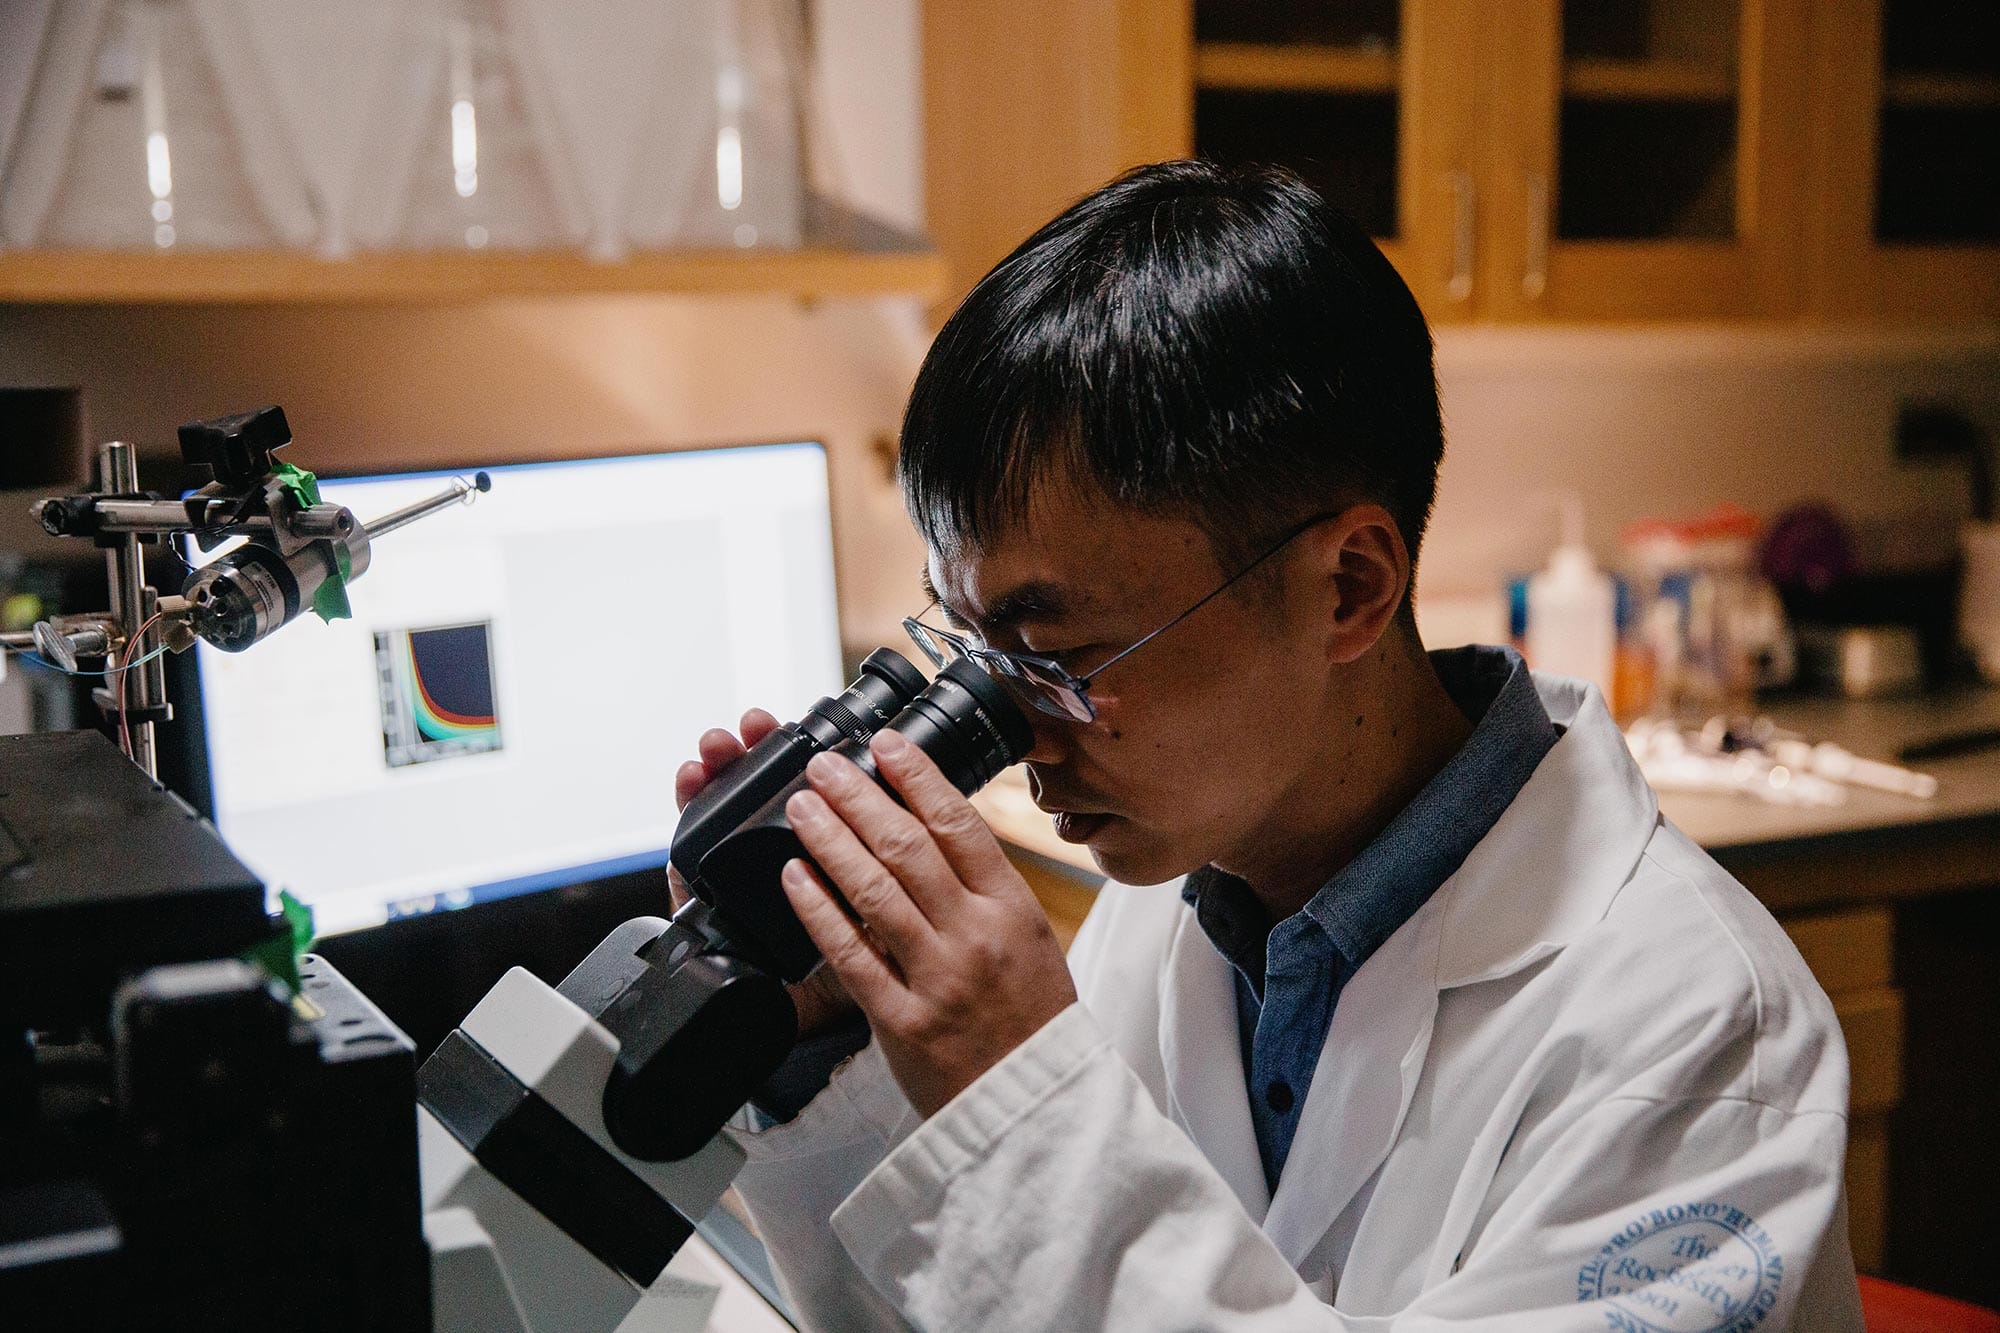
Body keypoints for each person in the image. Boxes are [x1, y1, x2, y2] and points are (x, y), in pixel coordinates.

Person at [672, 161, 1864, 1330]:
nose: (1013, 736)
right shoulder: (1184, 896)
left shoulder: (1697, 1040)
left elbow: (1058, 1233)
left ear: (1346, 587)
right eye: (970, 643)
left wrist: (1013, 1091)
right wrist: (838, 1045)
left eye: (1054, 652)